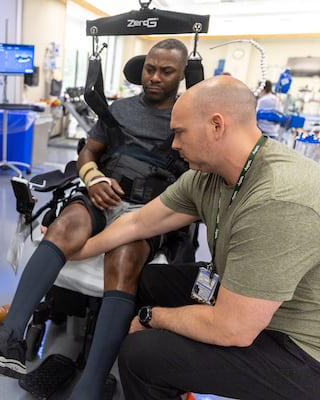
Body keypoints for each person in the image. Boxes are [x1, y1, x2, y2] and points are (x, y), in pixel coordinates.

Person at [0, 38, 193, 399]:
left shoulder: (187, 116)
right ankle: (10, 337)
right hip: (102, 194)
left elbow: (198, 174)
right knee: (66, 224)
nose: (154, 77)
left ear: (182, 75)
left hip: (149, 209)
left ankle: (92, 383)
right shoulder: (120, 110)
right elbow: (87, 155)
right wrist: (94, 178)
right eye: (149, 68)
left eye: (166, 71)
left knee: (124, 258)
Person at [73, 75, 320, 399]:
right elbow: (136, 224)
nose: (173, 144)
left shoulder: (277, 198)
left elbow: (233, 328)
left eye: (179, 133)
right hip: (246, 297)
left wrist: (152, 318)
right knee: (146, 280)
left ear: (217, 126)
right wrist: (75, 251)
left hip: (298, 346)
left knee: (142, 354)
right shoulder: (208, 176)